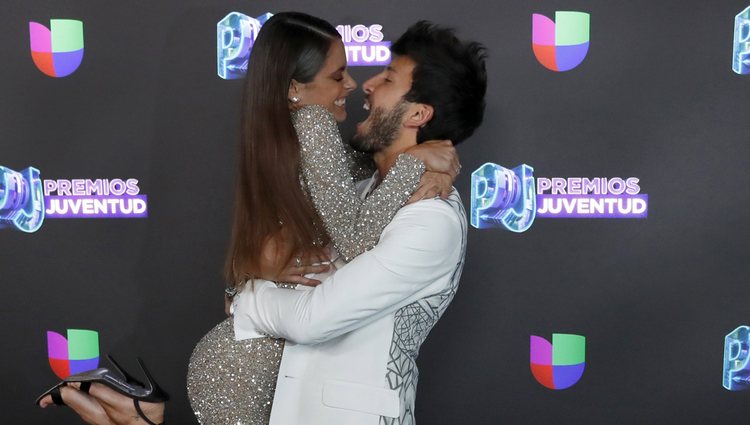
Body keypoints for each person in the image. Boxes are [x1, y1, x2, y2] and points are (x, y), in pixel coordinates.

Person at [36, 11, 459, 425]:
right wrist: (415, 164)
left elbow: (367, 180)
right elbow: (356, 237)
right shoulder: (314, 126)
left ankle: (139, 411)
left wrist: (428, 161)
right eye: (337, 75)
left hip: (246, 361)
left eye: (380, 77)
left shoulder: (292, 133)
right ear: (296, 88)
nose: (354, 84)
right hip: (250, 368)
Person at [232, 20, 487, 425]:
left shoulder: (431, 220)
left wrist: (244, 298)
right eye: (340, 74)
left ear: (419, 113)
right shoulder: (366, 185)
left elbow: (312, 320)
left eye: (388, 78)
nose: (364, 85)